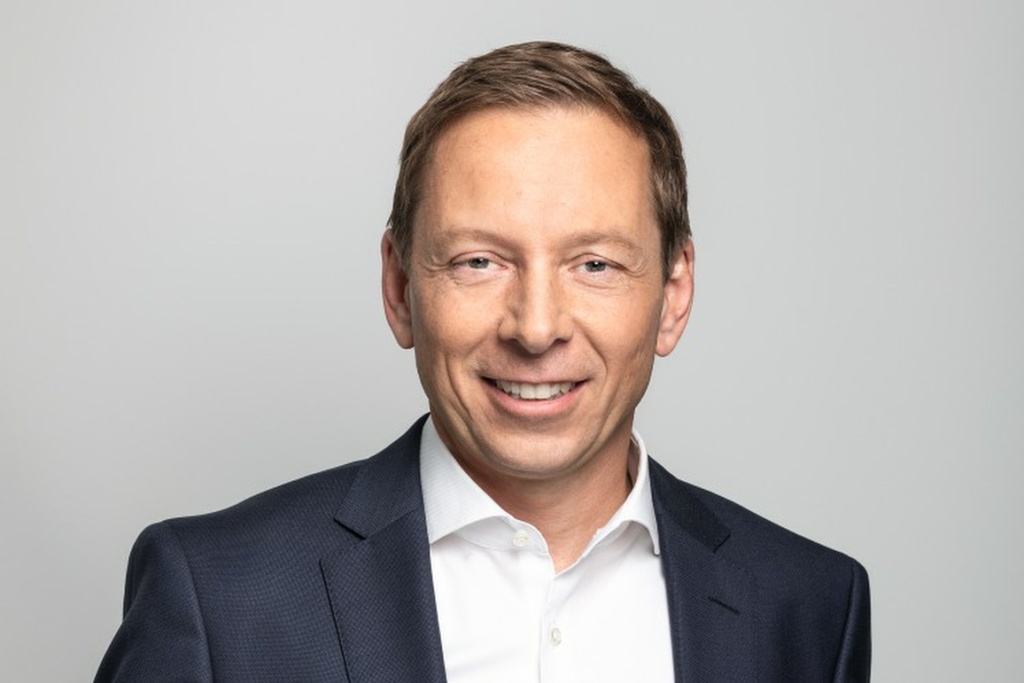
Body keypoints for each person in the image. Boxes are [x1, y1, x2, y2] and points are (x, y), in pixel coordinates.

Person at [96, 41, 870, 682]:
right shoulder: (217, 597)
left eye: (594, 264)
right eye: (478, 261)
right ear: (400, 287)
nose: (536, 327)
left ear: (673, 295)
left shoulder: (808, 610)